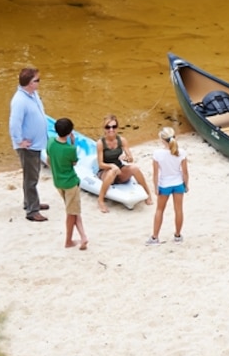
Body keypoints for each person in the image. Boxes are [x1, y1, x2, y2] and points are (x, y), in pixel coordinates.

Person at [8, 67, 49, 222]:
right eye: (37, 80)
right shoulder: (19, 100)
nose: (39, 82)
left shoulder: (33, 94)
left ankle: (30, 202)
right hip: (28, 146)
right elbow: (14, 123)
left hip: (36, 144)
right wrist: (19, 141)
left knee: (32, 175)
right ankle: (32, 211)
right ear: (29, 83)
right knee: (31, 179)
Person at [96, 114, 154, 213]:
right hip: (106, 171)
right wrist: (112, 166)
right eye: (108, 127)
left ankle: (147, 193)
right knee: (112, 171)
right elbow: (100, 164)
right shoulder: (100, 143)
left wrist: (126, 158)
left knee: (134, 168)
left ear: (117, 128)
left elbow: (130, 159)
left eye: (114, 126)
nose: (111, 129)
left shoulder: (122, 140)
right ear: (104, 129)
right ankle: (100, 200)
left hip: (119, 170)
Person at [47, 117, 87, 250]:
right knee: (71, 213)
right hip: (70, 183)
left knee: (73, 210)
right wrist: (73, 143)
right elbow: (74, 162)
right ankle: (69, 241)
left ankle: (83, 236)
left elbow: (48, 160)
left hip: (58, 182)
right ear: (70, 132)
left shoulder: (51, 142)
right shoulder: (70, 149)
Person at [148, 127, 189, 245]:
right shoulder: (181, 152)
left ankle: (155, 237)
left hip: (164, 184)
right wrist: (186, 184)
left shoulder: (157, 154)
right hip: (178, 183)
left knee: (159, 210)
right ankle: (177, 236)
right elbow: (185, 172)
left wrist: (155, 187)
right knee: (179, 210)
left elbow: (156, 174)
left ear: (162, 140)